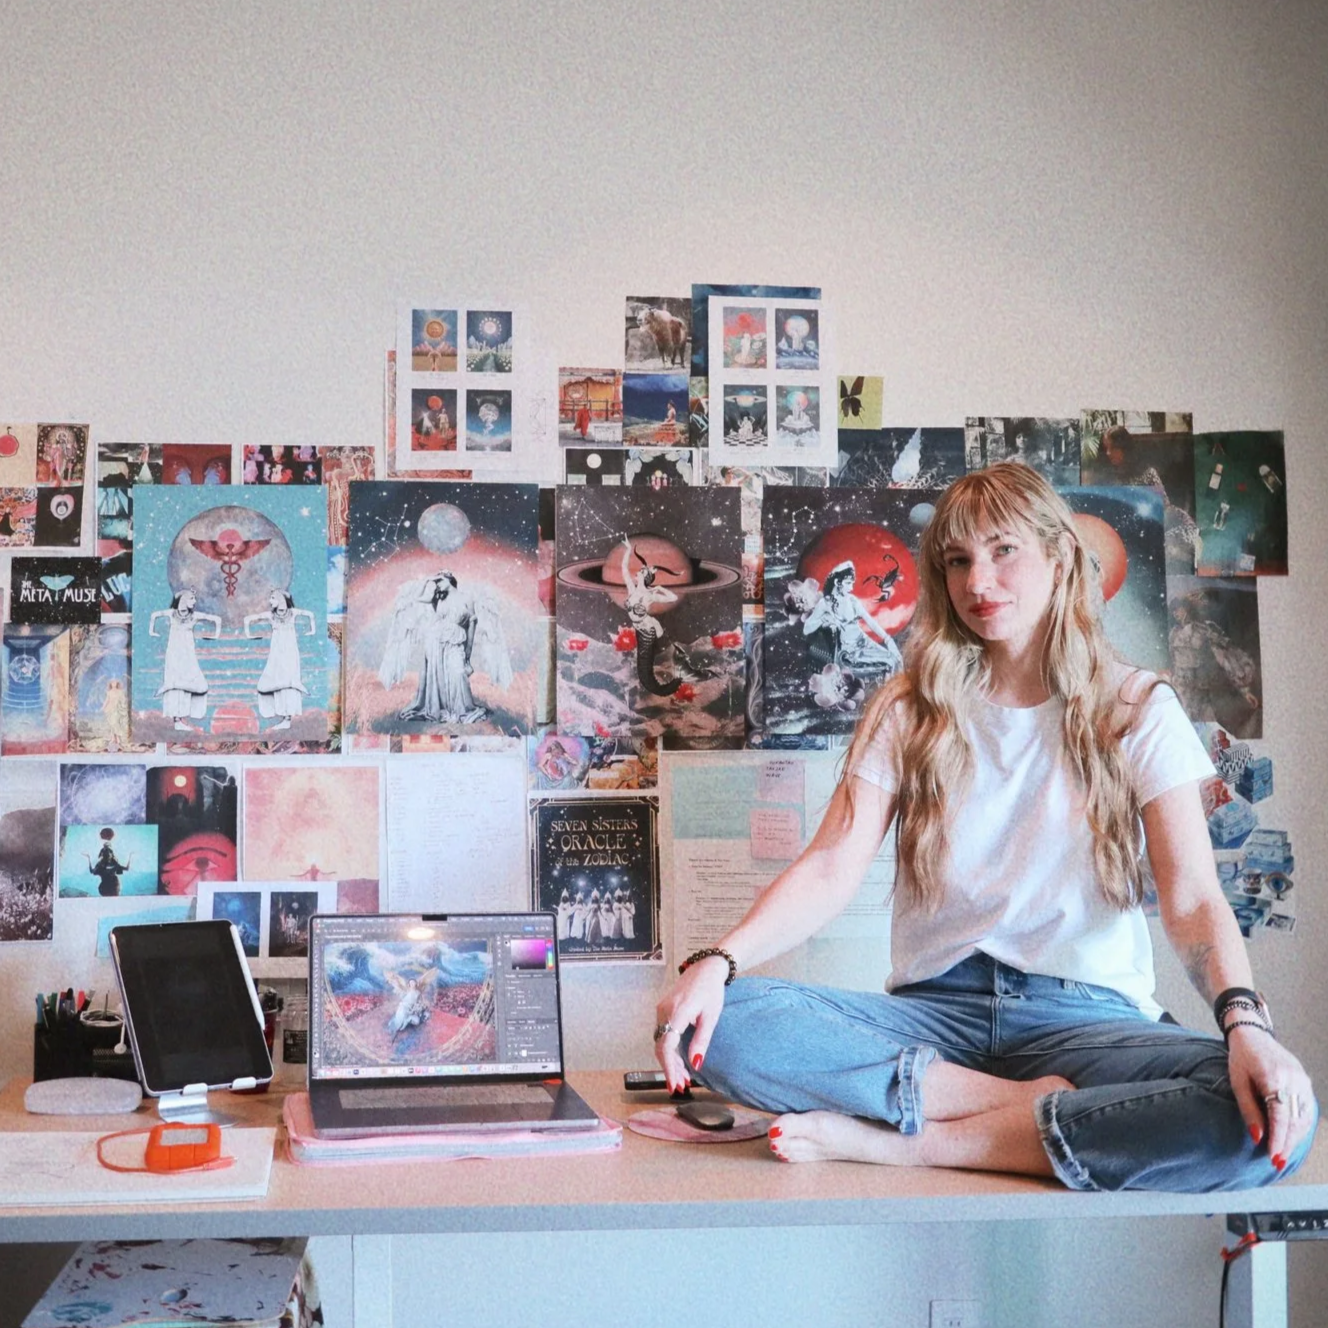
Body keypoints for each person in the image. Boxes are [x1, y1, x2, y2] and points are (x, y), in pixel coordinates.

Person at [654, 462, 1315, 1193]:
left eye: (1003, 551)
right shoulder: (908, 709)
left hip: (1091, 1022)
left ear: (1059, 558)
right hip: (936, 1021)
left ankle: (912, 1146)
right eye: (959, 560)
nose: (978, 581)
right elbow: (829, 866)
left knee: (1269, 1115)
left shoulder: (1136, 708)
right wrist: (716, 962)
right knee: (725, 1023)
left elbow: (1192, 898)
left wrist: (1246, 1025)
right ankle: (1012, 1110)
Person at [147, 589, 220, 730]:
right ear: (184, 599)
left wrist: (214, 635)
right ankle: (177, 720)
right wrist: (152, 630)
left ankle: (171, 688)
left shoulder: (194, 616)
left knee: (197, 683)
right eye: (191, 598)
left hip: (188, 653)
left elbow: (216, 620)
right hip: (174, 653)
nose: (194, 602)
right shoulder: (172, 614)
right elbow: (155, 615)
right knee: (177, 680)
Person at [244, 588, 316, 730]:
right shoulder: (271, 616)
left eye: (272, 598)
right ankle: (292, 686)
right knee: (270, 682)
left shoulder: (292, 613)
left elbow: (310, 615)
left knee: (287, 677)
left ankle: (287, 718)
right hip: (276, 653)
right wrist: (250, 634)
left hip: (290, 651)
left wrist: (312, 629)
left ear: (280, 598)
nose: (270, 601)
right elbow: (249, 619)